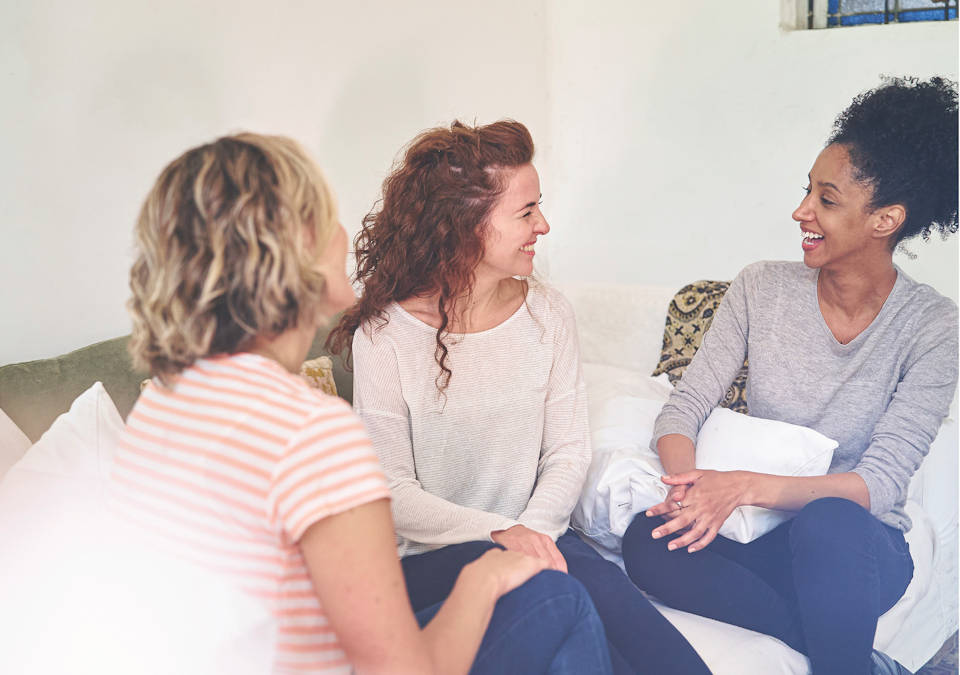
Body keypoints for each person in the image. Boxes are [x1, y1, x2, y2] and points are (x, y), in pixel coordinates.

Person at [113, 132, 613, 674]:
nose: (346, 232)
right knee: (558, 601)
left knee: (575, 603)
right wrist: (483, 574)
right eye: (328, 216)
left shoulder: (161, 408)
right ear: (294, 247)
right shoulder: (310, 433)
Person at [328, 119, 711, 675]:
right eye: (526, 212)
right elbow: (393, 492)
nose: (544, 225)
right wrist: (502, 536)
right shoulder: (385, 336)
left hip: (541, 535)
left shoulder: (547, 313)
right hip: (437, 562)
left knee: (663, 656)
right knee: (567, 604)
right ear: (464, 225)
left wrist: (533, 532)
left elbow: (567, 451)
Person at [621, 76, 959, 675]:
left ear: (885, 220)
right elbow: (684, 407)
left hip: (856, 551)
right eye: (807, 190)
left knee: (830, 524)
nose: (801, 211)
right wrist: (693, 490)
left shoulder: (932, 325)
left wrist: (741, 485)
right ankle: (858, 661)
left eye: (826, 200)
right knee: (648, 543)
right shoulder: (760, 287)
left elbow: (877, 483)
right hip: (762, 538)